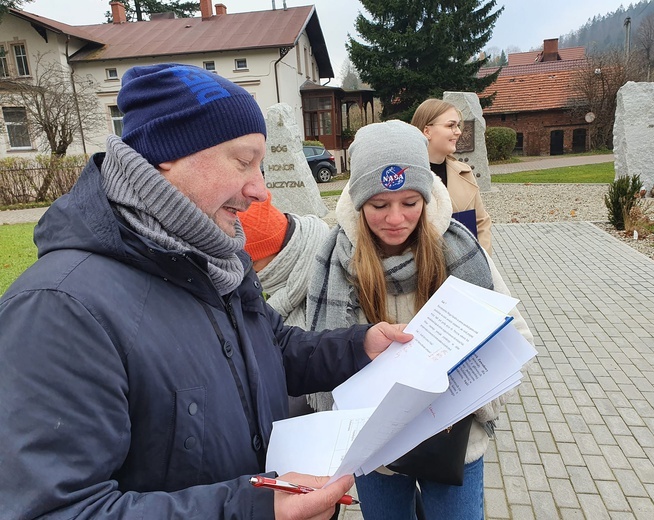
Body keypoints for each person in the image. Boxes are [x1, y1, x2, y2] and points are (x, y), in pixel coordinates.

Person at [0, 63, 412, 520]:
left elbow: (271, 346)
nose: (260, 190)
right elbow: (55, 510)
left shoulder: (218, 258)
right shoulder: (57, 308)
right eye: (243, 161)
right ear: (166, 155)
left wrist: (359, 347)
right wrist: (256, 510)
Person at [305, 120, 534, 520]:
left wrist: (475, 396)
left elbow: (513, 333)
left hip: (455, 438)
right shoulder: (333, 260)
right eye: (379, 205)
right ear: (359, 203)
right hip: (374, 449)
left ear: (427, 198)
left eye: (410, 203)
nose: (395, 218)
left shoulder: (458, 250)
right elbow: (318, 353)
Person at [411, 98, 493, 255]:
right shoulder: (405, 175)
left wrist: (481, 261)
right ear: (427, 131)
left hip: (464, 270)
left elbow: (481, 222)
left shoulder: (465, 173)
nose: (458, 131)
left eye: (457, 125)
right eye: (451, 125)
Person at [238, 190, 330, 328]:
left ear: (279, 258)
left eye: (252, 263)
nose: (251, 272)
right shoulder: (284, 283)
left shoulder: (334, 273)